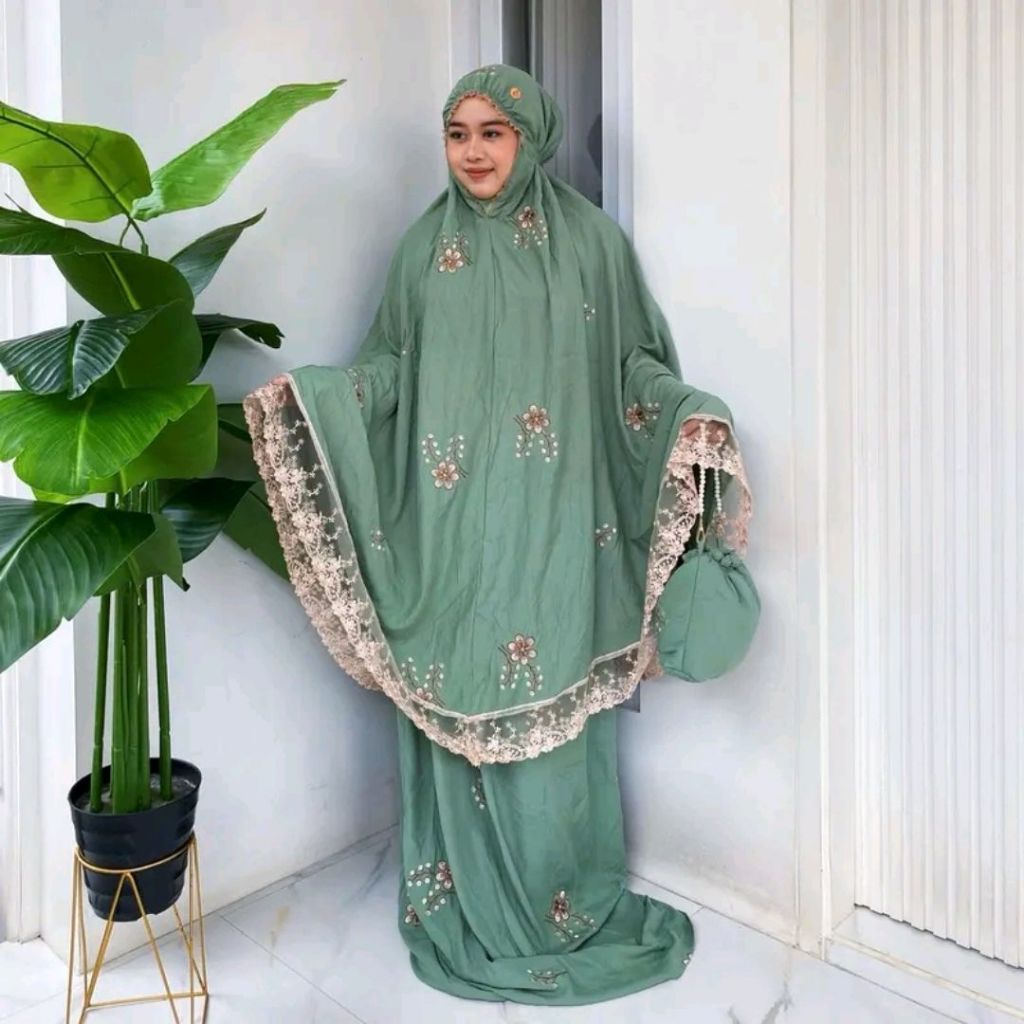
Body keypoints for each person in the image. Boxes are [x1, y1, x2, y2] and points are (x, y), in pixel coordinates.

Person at [243, 64, 753, 1006]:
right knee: (458, 681)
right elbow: (388, 369)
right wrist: (318, 398)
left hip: (556, 524)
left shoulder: (592, 246)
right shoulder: (421, 250)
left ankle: (559, 900)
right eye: (457, 133)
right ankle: (466, 899)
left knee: (548, 688)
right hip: (447, 530)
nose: (473, 152)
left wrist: (687, 413)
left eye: (492, 132)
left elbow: (631, 368)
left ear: (530, 137)